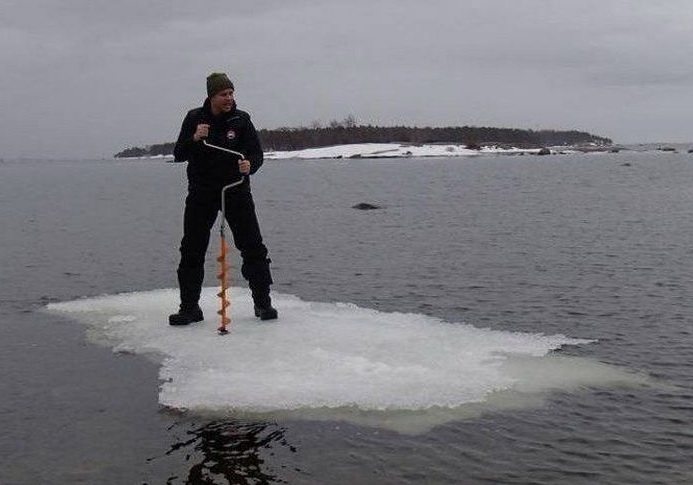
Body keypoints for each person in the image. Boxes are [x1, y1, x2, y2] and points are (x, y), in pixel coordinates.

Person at [169, 72, 277, 325]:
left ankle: (263, 303)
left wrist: (250, 165)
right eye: (223, 94)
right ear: (211, 96)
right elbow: (179, 153)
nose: (229, 98)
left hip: (235, 191)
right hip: (202, 193)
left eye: (231, 93)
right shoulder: (194, 118)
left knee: (253, 247)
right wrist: (194, 138)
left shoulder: (242, 120)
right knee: (191, 249)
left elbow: (256, 154)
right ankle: (189, 308)